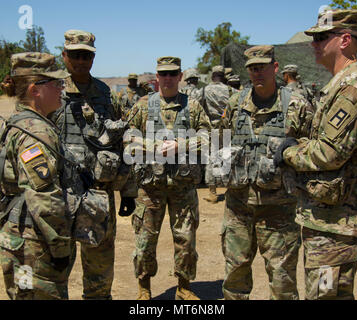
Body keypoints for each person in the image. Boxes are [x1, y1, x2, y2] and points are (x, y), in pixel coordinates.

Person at [275, 9, 357, 300]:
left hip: (337, 222)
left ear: (345, 39)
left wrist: (290, 153)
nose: (314, 44)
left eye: (322, 38)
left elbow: (329, 153)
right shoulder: (340, 85)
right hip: (328, 217)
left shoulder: (351, 89)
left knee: (325, 296)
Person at [220, 45, 314, 300]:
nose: (257, 73)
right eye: (252, 68)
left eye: (262, 67)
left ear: (275, 68)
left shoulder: (296, 105)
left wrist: (296, 148)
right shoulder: (235, 104)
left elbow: (315, 148)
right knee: (234, 277)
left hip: (280, 210)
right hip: (238, 207)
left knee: (282, 280)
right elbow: (221, 139)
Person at [55, 29, 136, 300]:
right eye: (75, 55)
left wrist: (128, 191)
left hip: (98, 196)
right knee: (56, 269)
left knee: (100, 273)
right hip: (59, 195)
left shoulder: (106, 94)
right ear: (64, 55)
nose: (81, 61)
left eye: (86, 56)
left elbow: (122, 144)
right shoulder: (51, 92)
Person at [0, 52, 72, 299]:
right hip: (34, 243)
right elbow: (43, 196)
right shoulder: (36, 131)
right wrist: (60, 247)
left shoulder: (18, 122)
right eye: (56, 83)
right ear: (35, 90)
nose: (61, 89)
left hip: (20, 238)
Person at [127, 56, 211, 300]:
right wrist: (152, 146)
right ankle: (144, 289)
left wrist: (181, 145)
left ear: (180, 76)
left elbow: (208, 138)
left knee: (186, 241)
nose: (167, 78)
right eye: (163, 74)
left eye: (172, 73)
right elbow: (127, 139)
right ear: (157, 77)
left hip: (182, 187)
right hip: (150, 189)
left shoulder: (192, 106)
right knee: (144, 242)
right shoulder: (143, 105)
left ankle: (184, 287)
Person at [199, 65, 232, 203]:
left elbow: (199, 106)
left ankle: (212, 193)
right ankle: (230, 190)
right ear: (223, 76)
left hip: (211, 128)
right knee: (228, 158)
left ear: (212, 76)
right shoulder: (230, 90)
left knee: (212, 159)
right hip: (226, 128)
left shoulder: (205, 90)